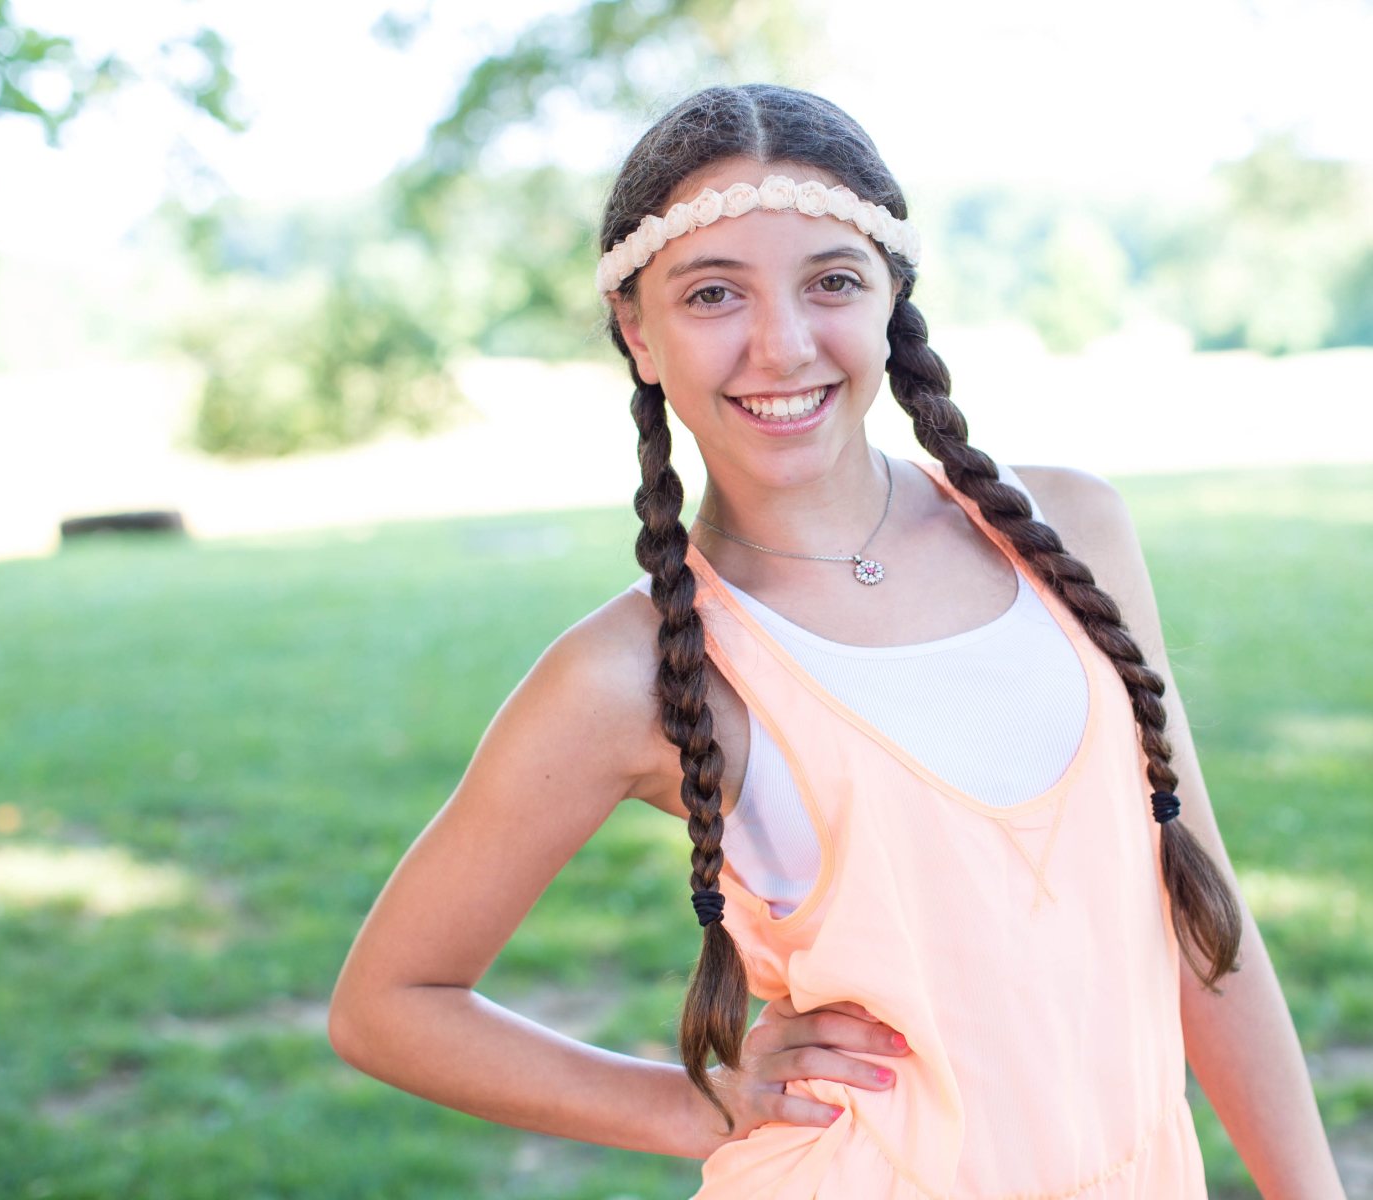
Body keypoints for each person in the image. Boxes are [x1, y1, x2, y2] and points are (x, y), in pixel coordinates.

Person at [329, 84, 1345, 1197]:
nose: (781, 344)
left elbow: (1198, 915)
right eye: (712, 293)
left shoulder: (1068, 533)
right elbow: (390, 1003)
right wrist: (690, 1103)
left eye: (830, 282)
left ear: (889, 298)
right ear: (637, 329)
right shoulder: (629, 673)